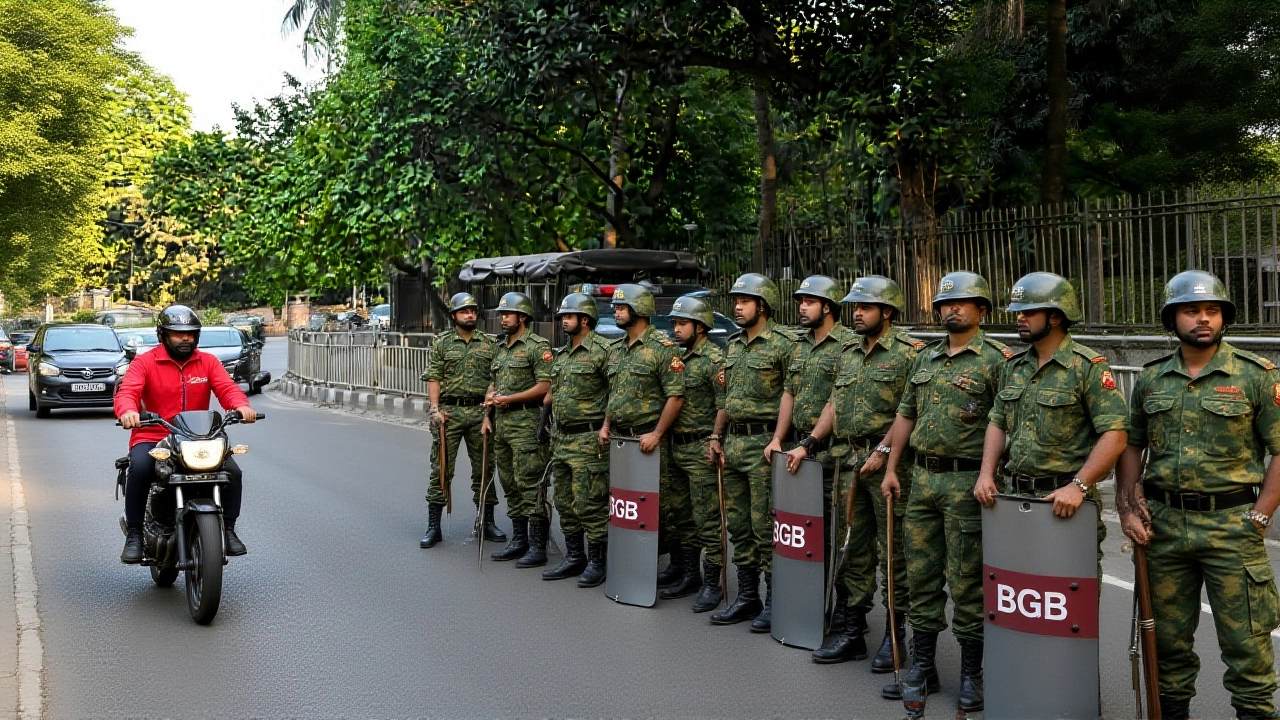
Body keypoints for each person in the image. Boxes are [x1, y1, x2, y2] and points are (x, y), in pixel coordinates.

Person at [1117, 270, 1280, 720]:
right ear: (1173, 319)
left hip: (1232, 528)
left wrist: (1260, 516)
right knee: (1166, 646)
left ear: (1223, 318)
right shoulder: (1151, 380)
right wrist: (1128, 508)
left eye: (1212, 311)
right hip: (1163, 528)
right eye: (1192, 311)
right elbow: (1132, 444)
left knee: (1248, 647)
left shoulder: (1256, 377)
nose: (1203, 319)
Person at [971, 271, 1129, 712]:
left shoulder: (1088, 367)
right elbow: (997, 423)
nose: (1019, 319)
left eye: (1029, 311)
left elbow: (1115, 434)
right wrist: (987, 473)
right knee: (1017, 599)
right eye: (1018, 311)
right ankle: (1023, 689)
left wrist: (1079, 485)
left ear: (1057, 316)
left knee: (1066, 609)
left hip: (1064, 508)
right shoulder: (1013, 367)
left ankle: (1072, 697)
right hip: (1014, 504)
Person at [879, 272, 1008, 712]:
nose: (951, 310)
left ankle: (972, 672)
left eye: (962, 303)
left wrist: (990, 473)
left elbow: (1004, 423)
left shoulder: (998, 360)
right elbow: (905, 415)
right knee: (920, 576)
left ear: (982, 310)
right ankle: (923, 665)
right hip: (923, 481)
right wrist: (893, 467)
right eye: (944, 305)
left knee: (969, 581)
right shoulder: (926, 358)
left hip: (968, 484)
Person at [786, 276, 923, 668]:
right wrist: (810, 442)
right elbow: (834, 402)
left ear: (888, 312)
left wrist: (883, 451)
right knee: (851, 551)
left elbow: (909, 411)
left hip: (888, 468)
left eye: (865, 307)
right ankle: (852, 630)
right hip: (846, 463)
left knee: (893, 553)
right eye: (855, 308)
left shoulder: (909, 354)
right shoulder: (848, 351)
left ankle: (894, 637)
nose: (857, 314)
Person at [115, 305, 258, 563]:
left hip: (198, 437)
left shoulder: (208, 362)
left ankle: (228, 529)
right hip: (154, 434)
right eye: (178, 334)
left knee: (232, 472)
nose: (185, 339)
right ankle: (134, 534)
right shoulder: (145, 362)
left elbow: (227, 388)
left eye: (191, 334)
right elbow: (128, 392)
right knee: (139, 467)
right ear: (162, 335)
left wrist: (242, 407)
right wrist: (127, 411)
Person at [767, 275, 857, 638]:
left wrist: (809, 442)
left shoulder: (847, 346)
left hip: (833, 454)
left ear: (829, 306)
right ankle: (809, 610)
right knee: (805, 536)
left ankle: (845, 618)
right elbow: (789, 392)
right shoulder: (799, 345)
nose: (801, 306)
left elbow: (837, 400)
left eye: (809, 301)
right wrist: (778, 438)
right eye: (800, 300)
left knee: (839, 539)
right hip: (802, 453)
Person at [709, 273, 794, 628]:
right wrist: (716, 436)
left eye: (744, 301)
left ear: (762, 305)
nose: (737, 307)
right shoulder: (734, 343)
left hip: (763, 444)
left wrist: (778, 439)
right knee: (739, 526)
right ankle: (747, 596)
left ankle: (776, 601)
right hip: (734, 442)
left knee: (765, 527)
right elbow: (727, 399)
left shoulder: (783, 344)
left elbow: (793, 394)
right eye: (736, 301)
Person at [601, 284, 686, 592]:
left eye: (622, 307)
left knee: (661, 507)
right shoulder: (617, 349)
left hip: (647, 440)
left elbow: (675, 397)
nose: (616, 311)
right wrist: (606, 425)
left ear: (639, 310)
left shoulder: (662, 349)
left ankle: (678, 566)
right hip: (621, 441)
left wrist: (658, 434)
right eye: (616, 307)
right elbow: (615, 393)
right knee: (625, 506)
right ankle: (636, 564)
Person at [420, 292, 505, 548]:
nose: (470, 315)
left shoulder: (490, 344)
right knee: (442, 469)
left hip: (480, 413)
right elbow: (433, 376)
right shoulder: (442, 343)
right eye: (465, 311)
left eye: (474, 311)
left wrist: (490, 401)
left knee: (484, 469)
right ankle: (433, 526)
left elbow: (496, 376)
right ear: (454, 315)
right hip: (450, 413)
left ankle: (486, 521)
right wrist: (434, 409)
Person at [541, 292, 612, 586]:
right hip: (562, 438)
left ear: (585, 319)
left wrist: (606, 427)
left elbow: (615, 393)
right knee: (564, 502)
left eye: (568, 316)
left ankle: (597, 562)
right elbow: (553, 393)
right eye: (562, 317)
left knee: (589, 503)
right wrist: (544, 420)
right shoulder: (561, 354)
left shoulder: (603, 351)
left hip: (588, 439)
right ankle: (574, 557)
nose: (563, 321)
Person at [666, 294, 727, 610]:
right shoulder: (678, 359)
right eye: (675, 323)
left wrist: (715, 439)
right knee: (682, 516)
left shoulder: (714, 361)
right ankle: (691, 574)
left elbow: (723, 403)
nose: (676, 329)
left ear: (700, 327)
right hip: (677, 447)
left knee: (707, 518)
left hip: (701, 447)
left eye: (682, 323)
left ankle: (712, 583)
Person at [484, 292, 554, 567]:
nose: (502, 318)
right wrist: (489, 407)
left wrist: (509, 400)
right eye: (501, 314)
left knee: (531, 485)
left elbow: (545, 386)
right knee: (509, 484)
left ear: (522, 317)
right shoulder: (501, 348)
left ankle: (538, 546)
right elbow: (494, 383)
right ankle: (519, 540)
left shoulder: (538, 346)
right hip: (502, 425)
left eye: (507, 314)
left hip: (527, 424)